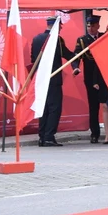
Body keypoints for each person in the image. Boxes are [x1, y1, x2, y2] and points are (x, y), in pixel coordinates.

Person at [32, 17, 75, 147]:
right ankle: (49, 137)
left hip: (40, 79)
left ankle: (42, 137)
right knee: (54, 109)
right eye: (60, 26)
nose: (61, 28)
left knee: (43, 109)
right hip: (53, 79)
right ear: (56, 26)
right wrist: (77, 57)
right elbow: (68, 54)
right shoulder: (57, 40)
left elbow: (33, 59)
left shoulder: (36, 39)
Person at [74, 15, 107, 144]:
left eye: (93, 26)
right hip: (90, 78)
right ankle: (95, 134)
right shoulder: (82, 40)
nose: (90, 28)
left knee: (107, 105)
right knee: (93, 107)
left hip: (104, 77)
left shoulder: (104, 37)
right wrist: (76, 67)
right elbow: (76, 55)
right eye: (88, 26)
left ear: (98, 26)